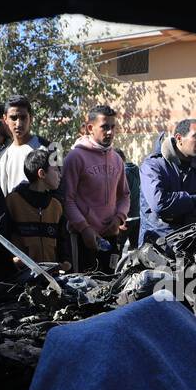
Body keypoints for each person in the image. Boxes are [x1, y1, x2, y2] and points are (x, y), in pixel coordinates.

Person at [63, 104, 130, 270]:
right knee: (83, 289)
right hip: (82, 238)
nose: (110, 132)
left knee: (110, 287)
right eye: (104, 127)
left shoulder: (117, 159)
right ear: (90, 128)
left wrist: (118, 218)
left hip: (110, 237)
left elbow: (125, 195)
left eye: (113, 127)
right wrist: (84, 228)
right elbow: (67, 199)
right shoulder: (75, 157)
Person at [138, 118, 196, 244]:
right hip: (158, 246)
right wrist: (192, 199)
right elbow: (159, 204)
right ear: (179, 138)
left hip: (191, 244)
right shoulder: (153, 165)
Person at [5, 147, 66, 265]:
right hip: (22, 273)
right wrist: (11, 259)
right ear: (42, 173)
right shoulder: (13, 201)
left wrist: (65, 260)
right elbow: (5, 235)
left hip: (51, 274)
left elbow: (62, 239)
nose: (60, 175)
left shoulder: (56, 205)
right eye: (56, 170)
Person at [0, 95, 47, 196]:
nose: (19, 123)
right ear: (5, 119)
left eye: (23, 117)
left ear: (31, 118)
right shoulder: (3, 156)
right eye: (13, 118)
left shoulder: (49, 147)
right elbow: (4, 194)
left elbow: (60, 189)